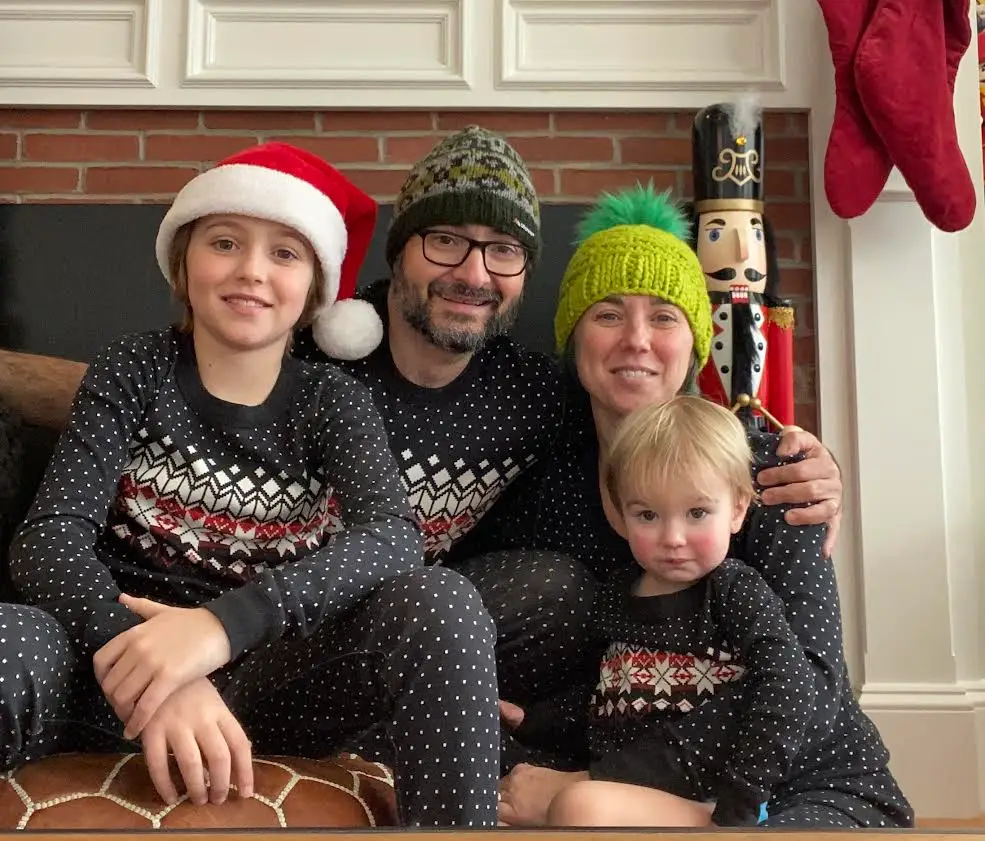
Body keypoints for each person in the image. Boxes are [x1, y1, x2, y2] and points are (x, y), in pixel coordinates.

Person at [0, 126, 845, 759]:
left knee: (514, 592)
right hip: (169, 625)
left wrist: (785, 451)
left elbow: (653, 401)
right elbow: (157, 404)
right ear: (395, 260)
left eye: (502, 250)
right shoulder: (309, 360)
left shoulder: (540, 394)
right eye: (445, 240)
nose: (472, 271)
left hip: (329, 647)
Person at [5, 141, 502, 827]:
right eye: (226, 241)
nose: (251, 271)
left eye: (284, 253)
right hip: (105, 667)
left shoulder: (333, 400)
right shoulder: (134, 368)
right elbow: (48, 539)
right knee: (10, 635)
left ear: (315, 291)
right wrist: (159, 672)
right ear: (184, 260)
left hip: (268, 682)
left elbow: (391, 537)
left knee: (441, 598)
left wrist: (219, 628)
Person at [494, 185, 913, 828]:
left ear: (693, 342)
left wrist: (591, 781)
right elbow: (614, 681)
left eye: (663, 317)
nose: (636, 340)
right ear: (572, 336)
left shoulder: (772, 472)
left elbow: (812, 687)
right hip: (651, 786)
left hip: (800, 779)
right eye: (607, 314)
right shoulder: (547, 483)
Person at [506, 394, 818, 827]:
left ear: (738, 510)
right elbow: (609, 698)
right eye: (648, 515)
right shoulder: (617, 594)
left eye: (696, 513)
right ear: (621, 513)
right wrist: (535, 720)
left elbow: (789, 685)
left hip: (716, 802)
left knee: (578, 806)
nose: (673, 537)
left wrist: (740, 804)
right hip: (634, 784)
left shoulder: (733, 590)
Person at [690, 99, 795, 431]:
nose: (742, 249)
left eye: (755, 232)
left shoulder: (775, 315)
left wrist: (787, 432)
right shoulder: (689, 314)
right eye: (717, 232)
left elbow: (782, 384)